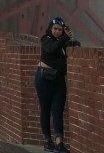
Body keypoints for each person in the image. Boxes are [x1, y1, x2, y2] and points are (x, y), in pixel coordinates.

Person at [34, 16, 74, 153]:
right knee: (45, 109)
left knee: (58, 111)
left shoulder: (62, 43)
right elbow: (51, 49)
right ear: (50, 29)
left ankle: (59, 143)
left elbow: (68, 48)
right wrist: (65, 38)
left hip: (58, 80)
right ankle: (47, 141)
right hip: (44, 78)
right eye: (55, 29)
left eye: (60, 30)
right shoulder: (46, 39)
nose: (57, 32)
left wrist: (72, 41)